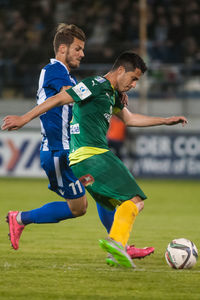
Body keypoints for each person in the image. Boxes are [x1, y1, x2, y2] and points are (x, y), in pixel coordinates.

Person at [2, 51, 187, 267]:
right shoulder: (95, 84)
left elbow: (129, 118)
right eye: (133, 78)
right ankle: (117, 245)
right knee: (135, 200)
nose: (134, 85)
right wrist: (24, 118)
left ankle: (117, 247)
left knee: (107, 202)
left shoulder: (112, 93)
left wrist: (165, 121)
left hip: (81, 162)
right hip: (93, 155)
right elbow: (59, 98)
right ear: (120, 70)